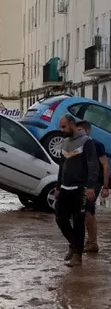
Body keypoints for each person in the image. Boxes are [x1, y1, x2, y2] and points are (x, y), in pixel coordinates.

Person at [55, 114, 99, 267]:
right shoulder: (65, 142)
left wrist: (90, 187)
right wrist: (58, 186)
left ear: (72, 124)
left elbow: (93, 166)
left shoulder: (87, 142)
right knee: (60, 219)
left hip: (81, 190)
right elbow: (61, 166)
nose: (62, 130)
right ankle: (74, 245)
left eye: (64, 127)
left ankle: (77, 257)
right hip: (65, 189)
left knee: (79, 221)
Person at [76, 120, 109, 253]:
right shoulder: (76, 145)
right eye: (76, 131)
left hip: (95, 182)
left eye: (80, 131)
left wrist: (105, 187)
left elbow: (105, 165)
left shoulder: (96, 145)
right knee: (89, 212)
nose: (78, 133)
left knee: (87, 211)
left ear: (88, 131)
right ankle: (92, 242)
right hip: (83, 182)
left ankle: (91, 243)